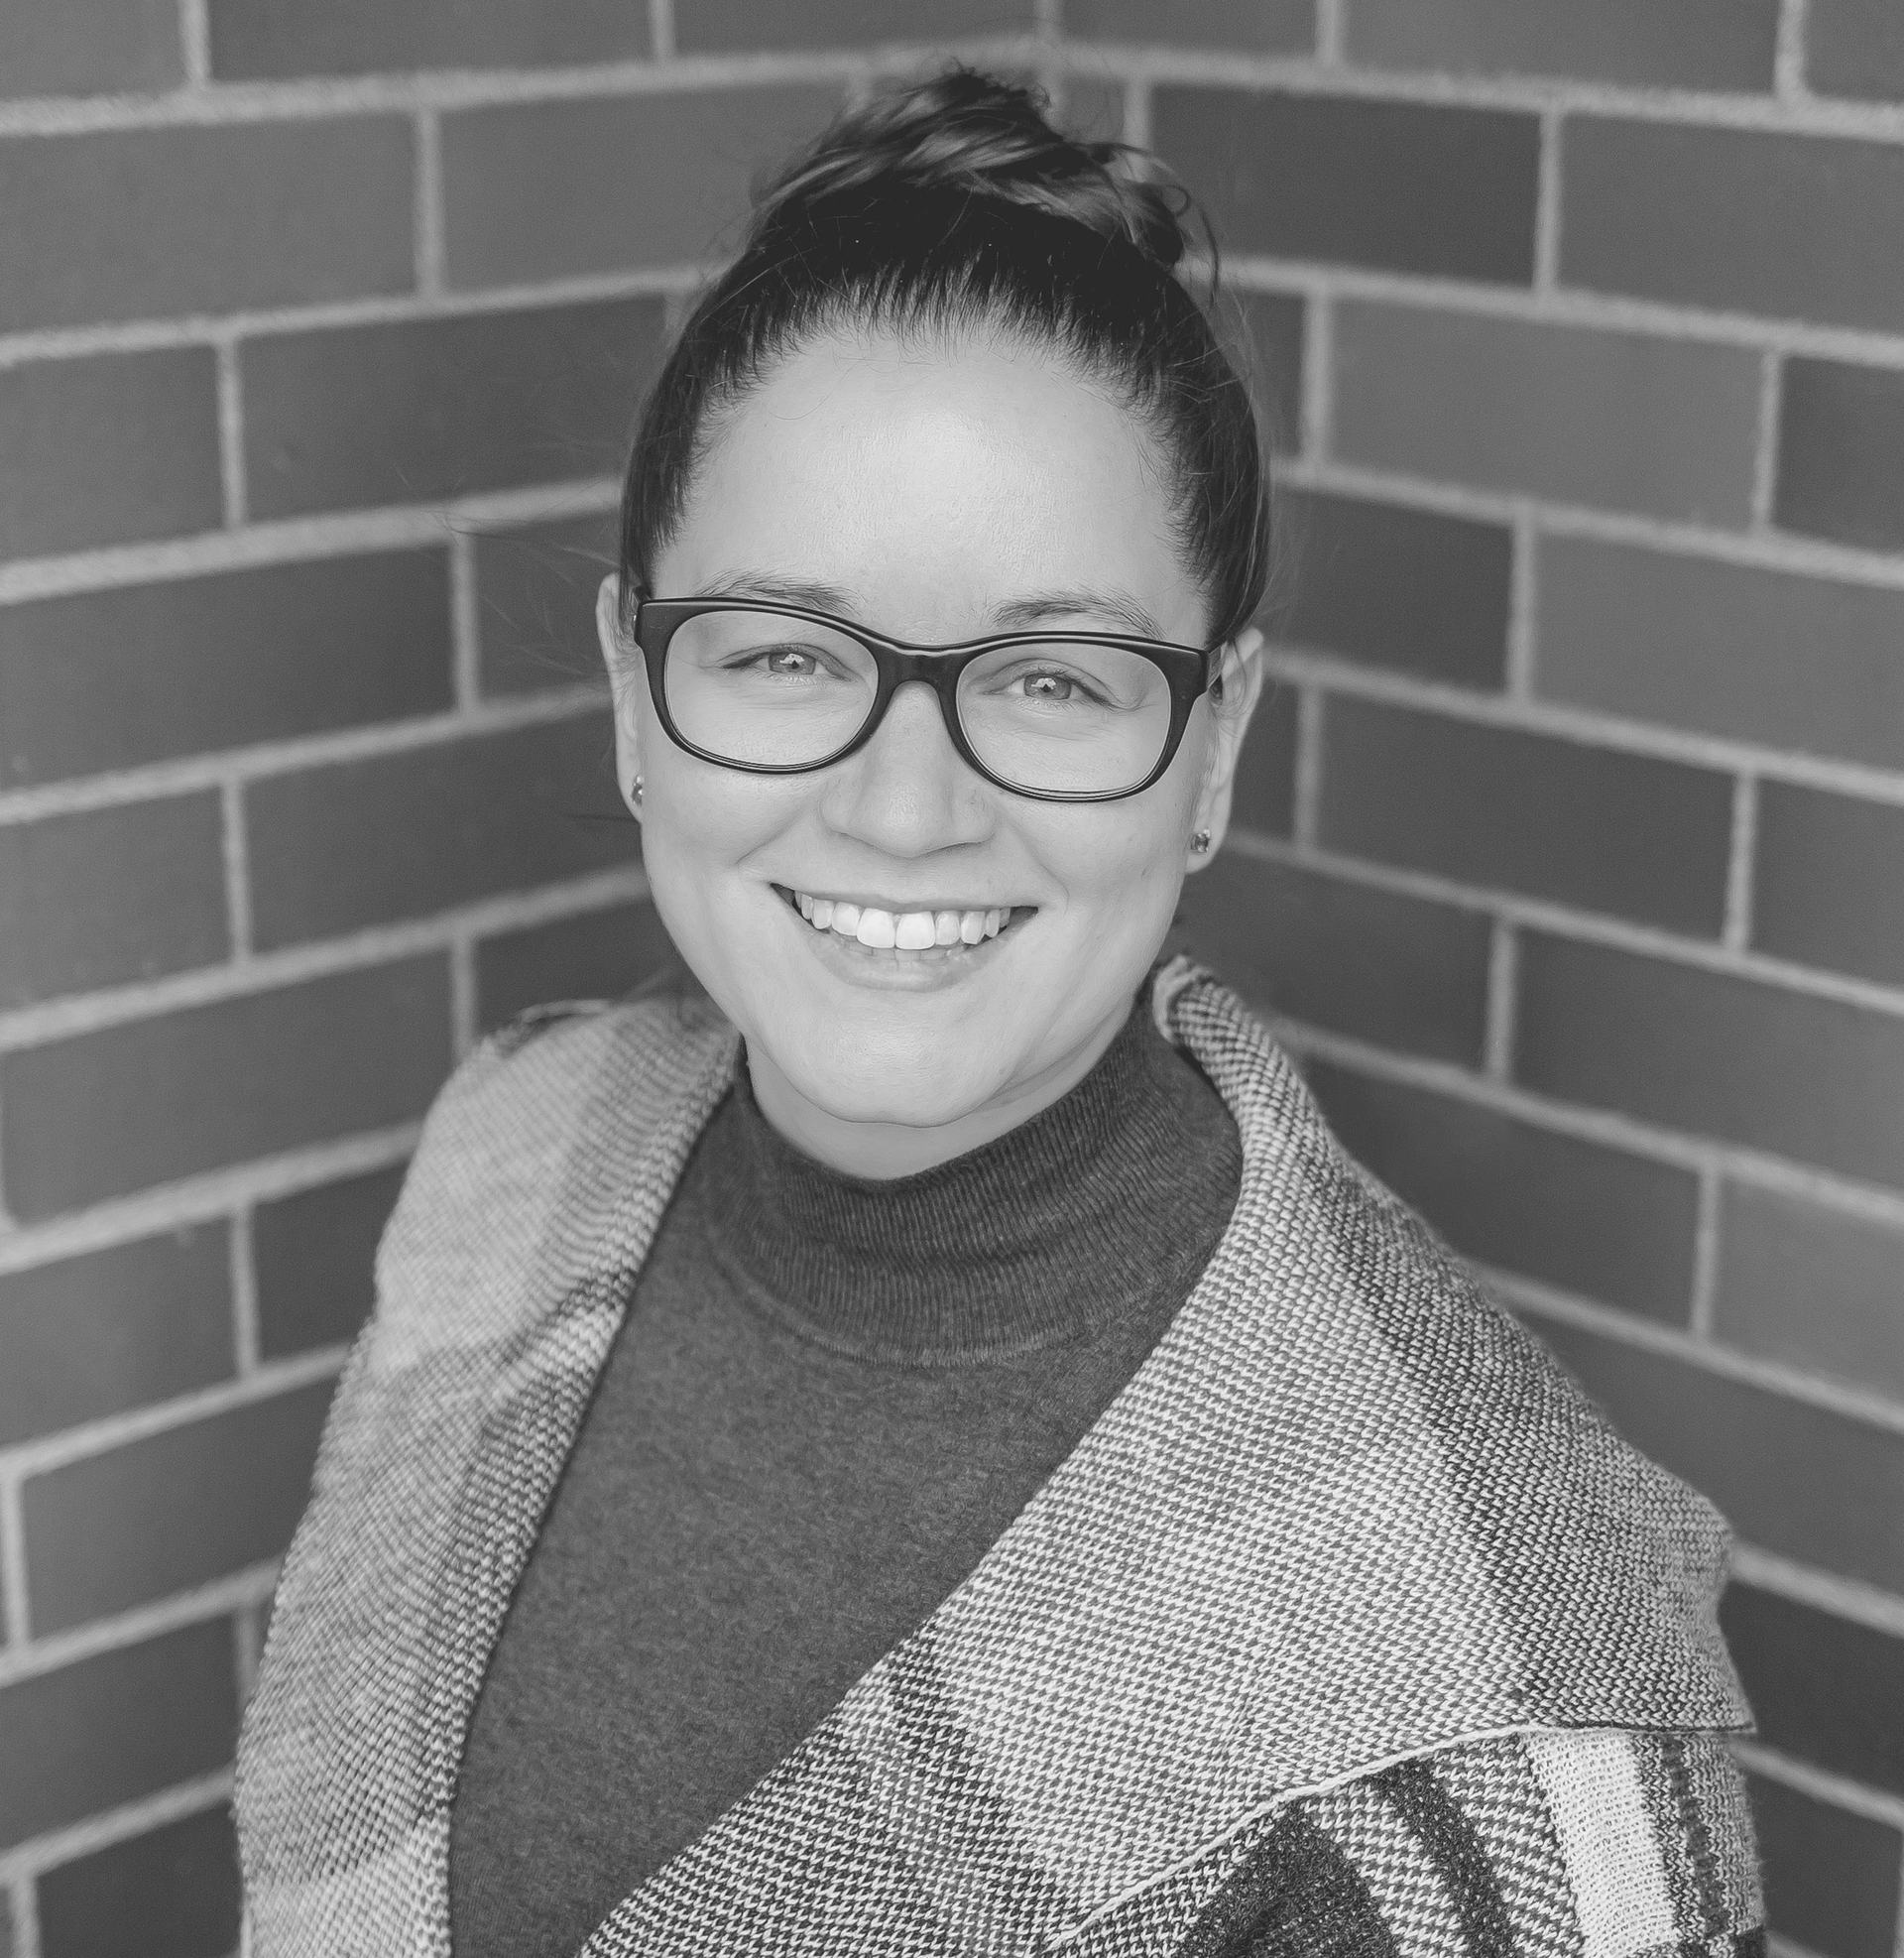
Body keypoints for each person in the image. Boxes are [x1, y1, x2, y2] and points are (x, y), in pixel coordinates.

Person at [235, 69, 1763, 1958]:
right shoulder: (512, 1148)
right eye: (787, 652)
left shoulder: (1505, 1699)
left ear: (1210, 744)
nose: (902, 803)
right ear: (636, 692)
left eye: (1050, 678)